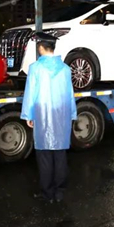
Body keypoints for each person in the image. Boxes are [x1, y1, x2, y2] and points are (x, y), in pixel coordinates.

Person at [21, 32, 77, 203]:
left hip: (42, 115)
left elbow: (31, 93)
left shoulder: (35, 68)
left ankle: (47, 194)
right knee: (60, 155)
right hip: (61, 116)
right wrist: (72, 114)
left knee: (44, 156)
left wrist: (28, 115)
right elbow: (70, 94)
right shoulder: (66, 69)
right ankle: (59, 192)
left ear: (40, 47)